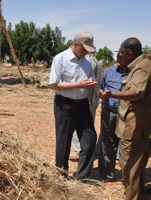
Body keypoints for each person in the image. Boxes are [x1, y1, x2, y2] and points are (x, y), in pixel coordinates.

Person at [99, 37, 151, 200]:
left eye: (121, 53)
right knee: (137, 167)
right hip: (138, 125)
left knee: (129, 168)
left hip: (136, 127)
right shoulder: (139, 66)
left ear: (129, 54)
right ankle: (141, 195)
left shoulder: (142, 68)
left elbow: (136, 93)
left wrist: (112, 94)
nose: (119, 56)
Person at [49, 31, 98, 181]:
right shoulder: (60, 59)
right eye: (84, 49)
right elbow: (54, 84)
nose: (86, 53)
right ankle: (61, 176)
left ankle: (83, 175)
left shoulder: (87, 62)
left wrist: (92, 85)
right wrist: (78, 84)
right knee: (64, 141)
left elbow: (91, 79)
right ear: (75, 45)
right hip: (65, 105)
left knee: (90, 138)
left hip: (82, 105)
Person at [97, 53, 127, 181]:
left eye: (122, 56)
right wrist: (101, 93)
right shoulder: (109, 71)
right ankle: (106, 175)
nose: (119, 58)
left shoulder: (135, 74)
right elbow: (101, 88)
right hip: (109, 112)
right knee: (107, 143)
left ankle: (128, 177)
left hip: (126, 114)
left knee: (127, 145)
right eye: (118, 55)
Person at [71, 52, 102, 156]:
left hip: (85, 100)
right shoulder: (97, 62)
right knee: (89, 124)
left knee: (79, 125)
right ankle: (87, 149)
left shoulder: (88, 62)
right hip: (93, 100)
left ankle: (80, 150)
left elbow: (85, 80)